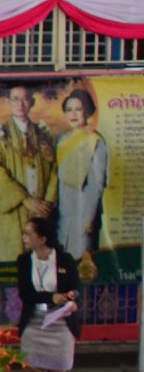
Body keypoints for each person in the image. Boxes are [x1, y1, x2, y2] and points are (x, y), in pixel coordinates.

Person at [15, 215, 81, 372]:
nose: (24, 237)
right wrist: (50, 297)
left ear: (42, 238)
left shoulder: (65, 260)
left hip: (60, 323)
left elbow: (76, 289)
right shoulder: (24, 261)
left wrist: (71, 299)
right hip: (34, 323)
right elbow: (25, 294)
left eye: (28, 234)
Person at [0, 83, 57, 262]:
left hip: (39, 212)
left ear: (31, 102)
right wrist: (24, 199)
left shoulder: (43, 135)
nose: (20, 104)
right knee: (12, 260)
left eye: (25, 99)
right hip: (12, 213)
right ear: (8, 102)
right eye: (15, 99)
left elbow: (54, 171)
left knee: (40, 263)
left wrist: (45, 205)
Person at [56, 87, 109, 259]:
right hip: (63, 213)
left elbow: (96, 184)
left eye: (78, 109)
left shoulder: (95, 141)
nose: (73, 114)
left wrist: (89, 217)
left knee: (81, 264)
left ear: (87, 112)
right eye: (69, 109)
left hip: (83, 214)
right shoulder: (62, 140)